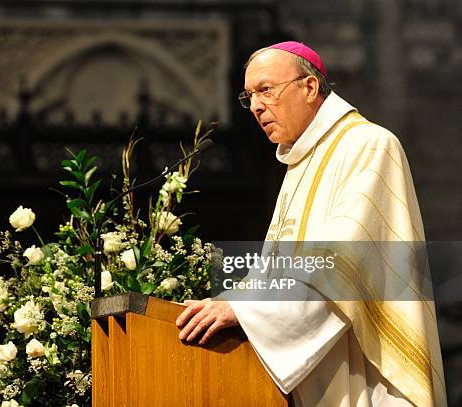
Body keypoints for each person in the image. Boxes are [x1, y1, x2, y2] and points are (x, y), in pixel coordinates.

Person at [175, 41, 446, 406]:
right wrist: (227, 303)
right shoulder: (301, 163)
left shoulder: (368, 145)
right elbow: (274, 269)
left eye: (266, 90)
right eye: (248, 96)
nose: (255, 106)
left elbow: (341, 260)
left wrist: (244, 309)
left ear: (310, 87)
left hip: (364, 370)